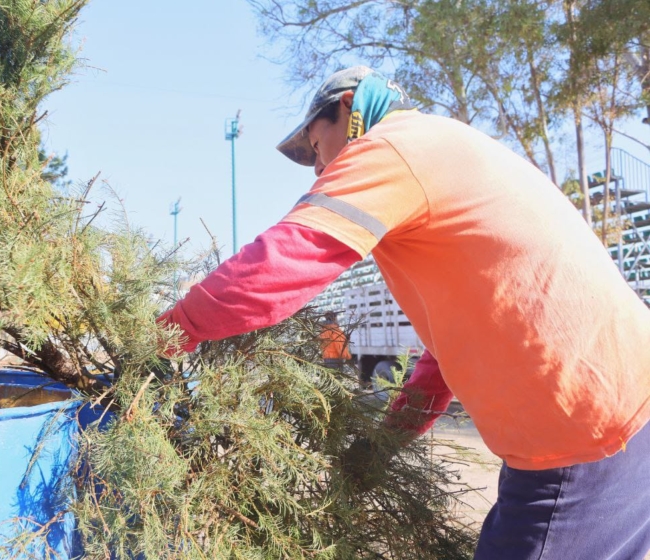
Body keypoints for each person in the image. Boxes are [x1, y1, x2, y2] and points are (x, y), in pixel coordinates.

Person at [158, 66, 650, 559]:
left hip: (585, 434)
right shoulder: (437, 154)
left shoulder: (392, 147)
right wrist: (383, 445)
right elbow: (446, 356)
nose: (316, 169)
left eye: (313, 145)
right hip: (622, 414)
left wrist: (165, 333)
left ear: (348, 108)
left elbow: (286, 259)